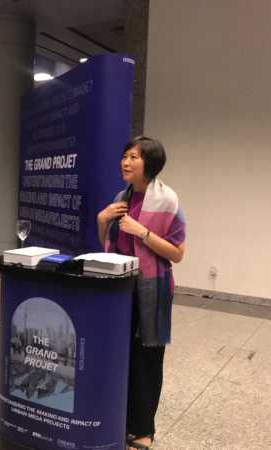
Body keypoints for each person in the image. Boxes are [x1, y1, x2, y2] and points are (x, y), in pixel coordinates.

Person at [96, 136, 186, 450]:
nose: (125, 162)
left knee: (147, 358)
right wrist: (102, 220)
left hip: (153, 289)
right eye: (124, 156)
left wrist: (143, 232)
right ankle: (123, 419)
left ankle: (144, 430)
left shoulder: (168, 201)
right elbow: (108, 245)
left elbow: (177, 253)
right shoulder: (122, 196)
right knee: (122, 356)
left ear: (151, 163)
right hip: (121, 290)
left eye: (133, 157)